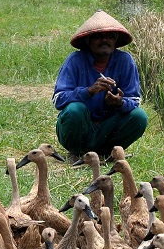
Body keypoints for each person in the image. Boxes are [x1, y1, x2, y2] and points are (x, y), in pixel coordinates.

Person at [53, 10, 148, 161]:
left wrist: (119, 103)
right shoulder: (75, 60)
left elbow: (134, 100)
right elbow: (58, 99)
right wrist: (89, 91)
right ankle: (77, 153)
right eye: (98, 37)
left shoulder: (125, 61)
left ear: (115, 41)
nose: (104, 40)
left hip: (108, 127)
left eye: (109, 36)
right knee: (74, 110)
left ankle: (106, 153)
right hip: (81, 127)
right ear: (88, 41)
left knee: (139, 117)